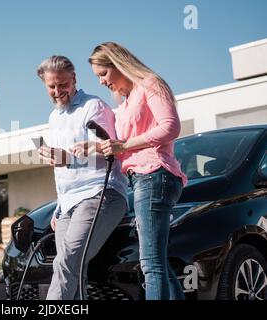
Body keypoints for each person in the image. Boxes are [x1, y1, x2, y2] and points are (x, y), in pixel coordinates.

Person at [75, 42, 188, 300]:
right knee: (159, 263)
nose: (102, 82)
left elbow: (170, 127)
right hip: (141, 179)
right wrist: (94, 147)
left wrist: (124, 144)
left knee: (150, 263)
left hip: (155, 174)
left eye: (103, 74)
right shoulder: (125, 104)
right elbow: (123, 149)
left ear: (119, 64)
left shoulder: (151, 83)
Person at [36, 55, 128, 300]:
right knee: (74, 268)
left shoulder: (93, 106)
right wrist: (58, 207)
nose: (58, 91)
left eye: (63, 84)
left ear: (74, 79)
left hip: (99, 193)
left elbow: (110, 152)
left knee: (66, 262)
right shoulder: (53, 118)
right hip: (68, 204)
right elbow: (61, 168)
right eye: (52, 86)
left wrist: (67, 157)